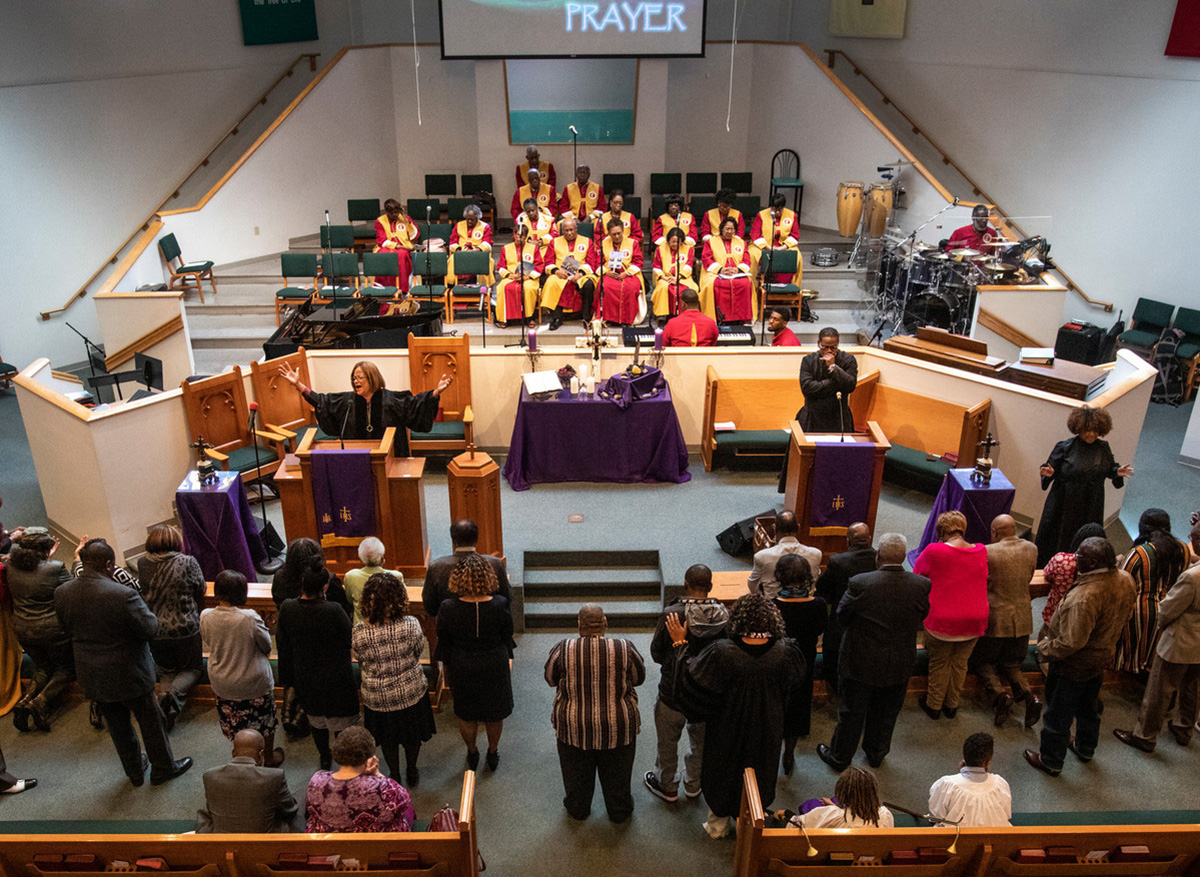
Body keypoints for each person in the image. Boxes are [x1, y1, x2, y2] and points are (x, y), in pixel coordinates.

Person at [55, 538, 192, 786]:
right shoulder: (123, 594)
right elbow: (150, 628)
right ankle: (163, 768)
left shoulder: (62, 592)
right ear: (109, 565)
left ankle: (134, 771)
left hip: (92, 673)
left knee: (117, 726)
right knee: (150, 722)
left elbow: (65, 629)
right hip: (129, 671)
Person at [669, 593, 805, 839]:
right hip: (767, 727)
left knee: (723, 772)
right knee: (761, 774)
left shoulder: (721, 653)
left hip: (726, 729)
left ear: (737, 619)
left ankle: (717, 827)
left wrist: (680, 645)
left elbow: (692, 687)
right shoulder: (786, 652)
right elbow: (795, 687)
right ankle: (750, 825)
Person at [818, 534, 930, 772]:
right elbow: (921, 617)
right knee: (887, 711)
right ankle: (876, 754)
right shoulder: (921, 584)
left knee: (851, 712)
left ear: (878, 556)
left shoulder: (861, 582)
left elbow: (842, 615)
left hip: (861, 659)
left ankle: (839, 757)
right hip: (900, 659)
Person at [1025, 537, 1135, 777]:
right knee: (1089, 708)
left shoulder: (1085, 597)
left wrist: (1043, 649)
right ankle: (1085, 748)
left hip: (1072, 665)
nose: (1075, 559)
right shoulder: (1125, 579)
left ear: (1093, 562)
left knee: (1058, 714)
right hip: (1100, 658)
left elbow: (1070, 642)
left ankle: (1051, 760)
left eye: (1079, 557)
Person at [546, 604, 645, 823]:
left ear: (579, 625)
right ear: (606, 623)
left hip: (573, 726)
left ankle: (578, 809)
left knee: (576, 776)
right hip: (618, 725)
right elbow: (639, 677)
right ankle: (619, 811)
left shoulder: (563, 648)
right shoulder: (624, 647)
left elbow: (550, 678)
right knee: (619, 776)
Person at [1114, 517, 1200, 752]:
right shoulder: (1188, 561)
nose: (1191, 541)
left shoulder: (1193, 577)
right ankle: (1184, 728)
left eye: (1194, 537)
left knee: (1159, 691)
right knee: (1192, 687)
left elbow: (1169, 610)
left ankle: (1145, 736)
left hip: (1179, 641)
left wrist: (1160, 622)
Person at [645, 564, 728, 804]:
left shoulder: (673, 613)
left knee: (667, 742)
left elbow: (656, 653)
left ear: (685, 584)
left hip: (673, 692)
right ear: (710, 586)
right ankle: (694, 783)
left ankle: (667, 785)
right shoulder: (724, 615)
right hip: (706, 694)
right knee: (700, 742)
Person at [276, 560, 359, 771]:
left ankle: (324, 756)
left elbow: (282, 643)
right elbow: (351, 639)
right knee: (341, 723)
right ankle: (344, 758)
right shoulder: (334, 610)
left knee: (316, 721)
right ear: (324, 587)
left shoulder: (288, 608)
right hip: (336, 676)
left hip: (306, 675)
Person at [353, 572, 435, 786]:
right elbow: (418, 651)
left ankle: (395, 774)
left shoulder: (360, 631)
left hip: (378, 698)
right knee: (412, 736)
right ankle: (412, 769)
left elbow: (360, 659)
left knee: (388, 740)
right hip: (411, 692)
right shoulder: (411, 624)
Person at [436, 553, 515, 771]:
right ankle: (493, 751)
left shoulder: (447, 607)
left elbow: (443, 638)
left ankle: (472, 751)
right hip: (494, 663)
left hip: (462, 664)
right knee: (494, 712)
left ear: (457, 579)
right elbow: (507, 634)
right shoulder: (500, 603)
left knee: (466, 713)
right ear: (488, 577)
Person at [279, 360, 451, 456]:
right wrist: (299, 385)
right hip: (356, 460)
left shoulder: (392, 400)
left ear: (372, 378)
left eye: (360, 377)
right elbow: (321, 401)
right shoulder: (347, 401)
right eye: (354, 378)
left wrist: (436, 392)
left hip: (391, 459)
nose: (356, 381)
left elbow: (417, 403)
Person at [200, 570, 283, 766]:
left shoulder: (205, 615)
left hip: (222, 681)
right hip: (251, 681)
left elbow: (208, 640)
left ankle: (242, 759)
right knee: (265, 724)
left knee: (235, 724)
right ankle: (268, 758)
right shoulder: (249, 618)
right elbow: (266, 646)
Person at [1034, 405, 1134, 566]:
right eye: (1087, 430)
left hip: (1091, 503)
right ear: (1078, 428)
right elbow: (1049, 468)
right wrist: (1047, 474)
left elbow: (1109, 469)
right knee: (1058, 538)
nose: (1091, 434)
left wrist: (1117, 471)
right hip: (1064, 503)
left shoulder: (1103, 448)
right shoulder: (1064, 447)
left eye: (1095, 430)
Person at [914, 511, 989, 720]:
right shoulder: (981, 551)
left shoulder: (934, 551)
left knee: (940, 662)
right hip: (975, 620)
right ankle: (952, 705)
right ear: (963, 529)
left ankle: (934, 705)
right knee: (959, 663)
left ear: (941, 531)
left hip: (943, 620)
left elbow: (917, 577)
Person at [973, 514, 1041, 728]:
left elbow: (981, 581)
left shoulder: (987, 551)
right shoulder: (1031, 548)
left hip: (996, 617)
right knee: (1012, 664)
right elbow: (1029, 577)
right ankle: (1030, 697)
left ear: (994, 532)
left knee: (984, 662)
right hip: (1023, 617)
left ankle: (1001, 696)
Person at [138, 524, 206, 728]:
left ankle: (162, 704)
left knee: (166, 671)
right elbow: (200, 588)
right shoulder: (187, 561)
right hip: (184, 628)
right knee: (194, 669)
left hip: (155, 628)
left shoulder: (142, 563)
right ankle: (172, 695)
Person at [6, 530, 74, 731]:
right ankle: (40, 702)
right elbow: (71, 591)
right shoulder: (55, 568)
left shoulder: (11, 566)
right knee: (66, 668)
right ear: (45, 549)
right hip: (52, 630)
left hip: (23, 629)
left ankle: (24, 701)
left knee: (43, 668)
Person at [1114, 508, 1189, 674]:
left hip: (1140, 612)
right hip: (1169, 610)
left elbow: (1122, 581)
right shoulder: (1183, 549)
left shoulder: (1139, 554)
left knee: (1134, 657)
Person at [305, 725, 415, 833]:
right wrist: (377, 774)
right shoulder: (386, 787)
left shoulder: (317, 780)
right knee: (408, 809)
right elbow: (405, 800)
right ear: (369, 757)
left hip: (329, 844)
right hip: (376, 844)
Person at [774, 554, 828, 769]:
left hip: (778, 663)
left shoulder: (773, 605)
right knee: (799, 707)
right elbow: (820, 629)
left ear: (780, 576)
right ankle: (789, 753)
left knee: (777, 706)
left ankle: (773, 750)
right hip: (805, 661)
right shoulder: (818, 604)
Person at [195, 729, 303, 833]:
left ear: (233, 753)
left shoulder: (210, 775)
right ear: (261, 754)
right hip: (263, 844)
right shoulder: (275, 776)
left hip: (222, 844)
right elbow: (290, 811)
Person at [815, 522, 876, 695]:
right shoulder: (879, 559)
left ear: (848, 541)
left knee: (832, 651)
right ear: (869, 539)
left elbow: (821, 588)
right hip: (869, 622)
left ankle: (835, 689)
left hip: (841, 622)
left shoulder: (838, 561)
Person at [421, 519, 512, 617]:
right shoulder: (495, 563)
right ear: (476, 539)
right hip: (489, 624)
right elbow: (507, 597)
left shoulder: (436, 567)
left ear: (453, 540)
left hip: (452, 626)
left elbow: (430, 605)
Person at [928, 732, 1012, 827]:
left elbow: (935, 816)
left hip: (956, 840)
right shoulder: (1000, 784)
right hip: (995, 839)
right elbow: (1007, 814)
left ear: (964, 758)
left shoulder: (947, 784)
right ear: (988, 763)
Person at [1041, 523, 1107, 628]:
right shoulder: (1106, 573)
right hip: (1083, 625)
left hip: (1055, 620)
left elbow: (1047, 575)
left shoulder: (1061, 560)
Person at [541, 216, 599, 331]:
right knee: (552, 283)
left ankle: (586, 318)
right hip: (560, 274)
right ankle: (556, 318)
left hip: (582, 274)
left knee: (588, 284)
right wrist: (556, 271)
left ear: (576, 229)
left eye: (571, 230)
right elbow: (548, 262)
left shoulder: (587, 241)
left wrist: (580, 274)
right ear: (562, 231)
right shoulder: (554, 242)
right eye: (566, 230)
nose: (569, 233)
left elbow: (592, 262)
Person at [747, 510, 822, 600]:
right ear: (798, 528)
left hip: (773, 607)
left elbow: (752, 585)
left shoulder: (762, 556)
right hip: (806, 605)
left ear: (775, 529)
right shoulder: (816, 554)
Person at [787, 767, 893, 828]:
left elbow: (796, 825)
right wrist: (835, 807)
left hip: (831, 856)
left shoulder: (831, 815)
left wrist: (785, 814)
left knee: (812, 804)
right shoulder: (885, 815)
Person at [797, 327, 857, 432]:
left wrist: (833, 367)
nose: (829, 351)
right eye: (825, 347)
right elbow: (807, 387)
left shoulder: (848, 360)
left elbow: (850, 385)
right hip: (813, 415)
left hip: (839, 416)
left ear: (838, 344)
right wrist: (834, 382)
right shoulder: (808, 360)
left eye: (833, 347)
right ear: (818, 344)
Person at [270, 538, 350, 616]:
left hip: (291, 625)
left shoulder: (279, 577)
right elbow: (344, 608)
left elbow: (277, 602)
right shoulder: (328, 581)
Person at [699, 217, 754, 324]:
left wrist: (738, 269)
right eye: (727, 229)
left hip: (736, 274)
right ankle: (720, 317)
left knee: (746, 283)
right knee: (716, 284)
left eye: (732, 229)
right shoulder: (711, 242)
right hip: (716, 273)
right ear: (722, 229)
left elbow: (746, 259)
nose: (729, 232)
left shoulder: (741, 243)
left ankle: (740, 318)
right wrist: (720, 269)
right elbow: (706, 258)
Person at [493, 224, 543, 328]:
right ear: (514, 235)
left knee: (528, 288)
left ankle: (530, 318)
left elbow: (539, 266)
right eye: (518, 235)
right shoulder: (505, 248)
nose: (520, 238)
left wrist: (527, 277)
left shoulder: (534, 249)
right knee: (502, 288)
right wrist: (509, 274)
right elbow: (501, 266)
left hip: (528, 278)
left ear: (526, 236)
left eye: (523, 236)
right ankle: (504, 318)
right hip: (511, 277)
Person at [596, 218, 645, 326]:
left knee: (630, 288)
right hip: (609, 274)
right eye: (613, 234)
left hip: (628, 274)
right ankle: (610, 318)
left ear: (623, 231)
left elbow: (638, 262)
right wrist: (606, 272)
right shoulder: (603, 243)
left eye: (619, 233)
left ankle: (626, 319)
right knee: (605, 286)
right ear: (609, 233)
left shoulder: (633, 243)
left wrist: (626, 273)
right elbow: (597, 262)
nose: (617, 236)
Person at [343, 537, 400, 626]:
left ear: (360, 558)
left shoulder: (350, 576)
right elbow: (402, 602)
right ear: (382, 557)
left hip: (361, 628)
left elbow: (349, 600)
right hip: (392, 626)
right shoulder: (396, 576)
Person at [651, 227, 699, 322]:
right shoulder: (660, 249)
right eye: (673, 241)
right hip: (665, 277)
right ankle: (662, 315)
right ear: (668, 240)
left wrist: (678, 277)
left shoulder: (688, 249)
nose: (675, 244)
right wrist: (664, 277)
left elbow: (688, 266)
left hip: (683, 277)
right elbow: (656, 266)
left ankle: (688, 314)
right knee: (662, 288)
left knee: (692, 288)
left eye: (678, 242)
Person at [373, 199, 419, 292]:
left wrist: (406, 219)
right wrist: (398, 246)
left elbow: (415, 235)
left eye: (397, 213)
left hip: (404, 247)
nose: (395, 215)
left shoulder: (404, 218)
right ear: (387, 212)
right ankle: (383, 288)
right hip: (386, 247)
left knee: (402, 254)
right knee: (383, 254)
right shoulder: (380, 221)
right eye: (392, 213)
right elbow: (382, 240)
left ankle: (403, 289)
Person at [447, 203, 494, 287]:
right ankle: (453, 285)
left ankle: (483, 287)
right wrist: (458, 250)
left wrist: (475, 251)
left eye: (472, 219)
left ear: (477, 218)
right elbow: (453, 242)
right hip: (461, 252)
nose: (469, 221)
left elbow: (487, 243)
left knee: (486, 262)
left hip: (478, 253)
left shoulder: (485, 226)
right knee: (452, 260)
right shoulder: (458, 225)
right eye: (468, 219)